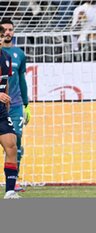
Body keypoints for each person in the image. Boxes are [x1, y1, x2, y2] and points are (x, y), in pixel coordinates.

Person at [1, 19, 30, 193]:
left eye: (10, 29)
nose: (7, 33)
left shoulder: (19, 53)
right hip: (0, 105)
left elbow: (21, 80)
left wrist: (26, 105)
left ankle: (13, 183)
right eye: (4, 30)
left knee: (15, 141)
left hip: (15, 104)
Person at [0, 25, 20, 199]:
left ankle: (10, 191)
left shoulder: (6, 58)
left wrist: (5, 100)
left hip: (0, 112)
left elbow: (5, 83)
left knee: (12, 146)